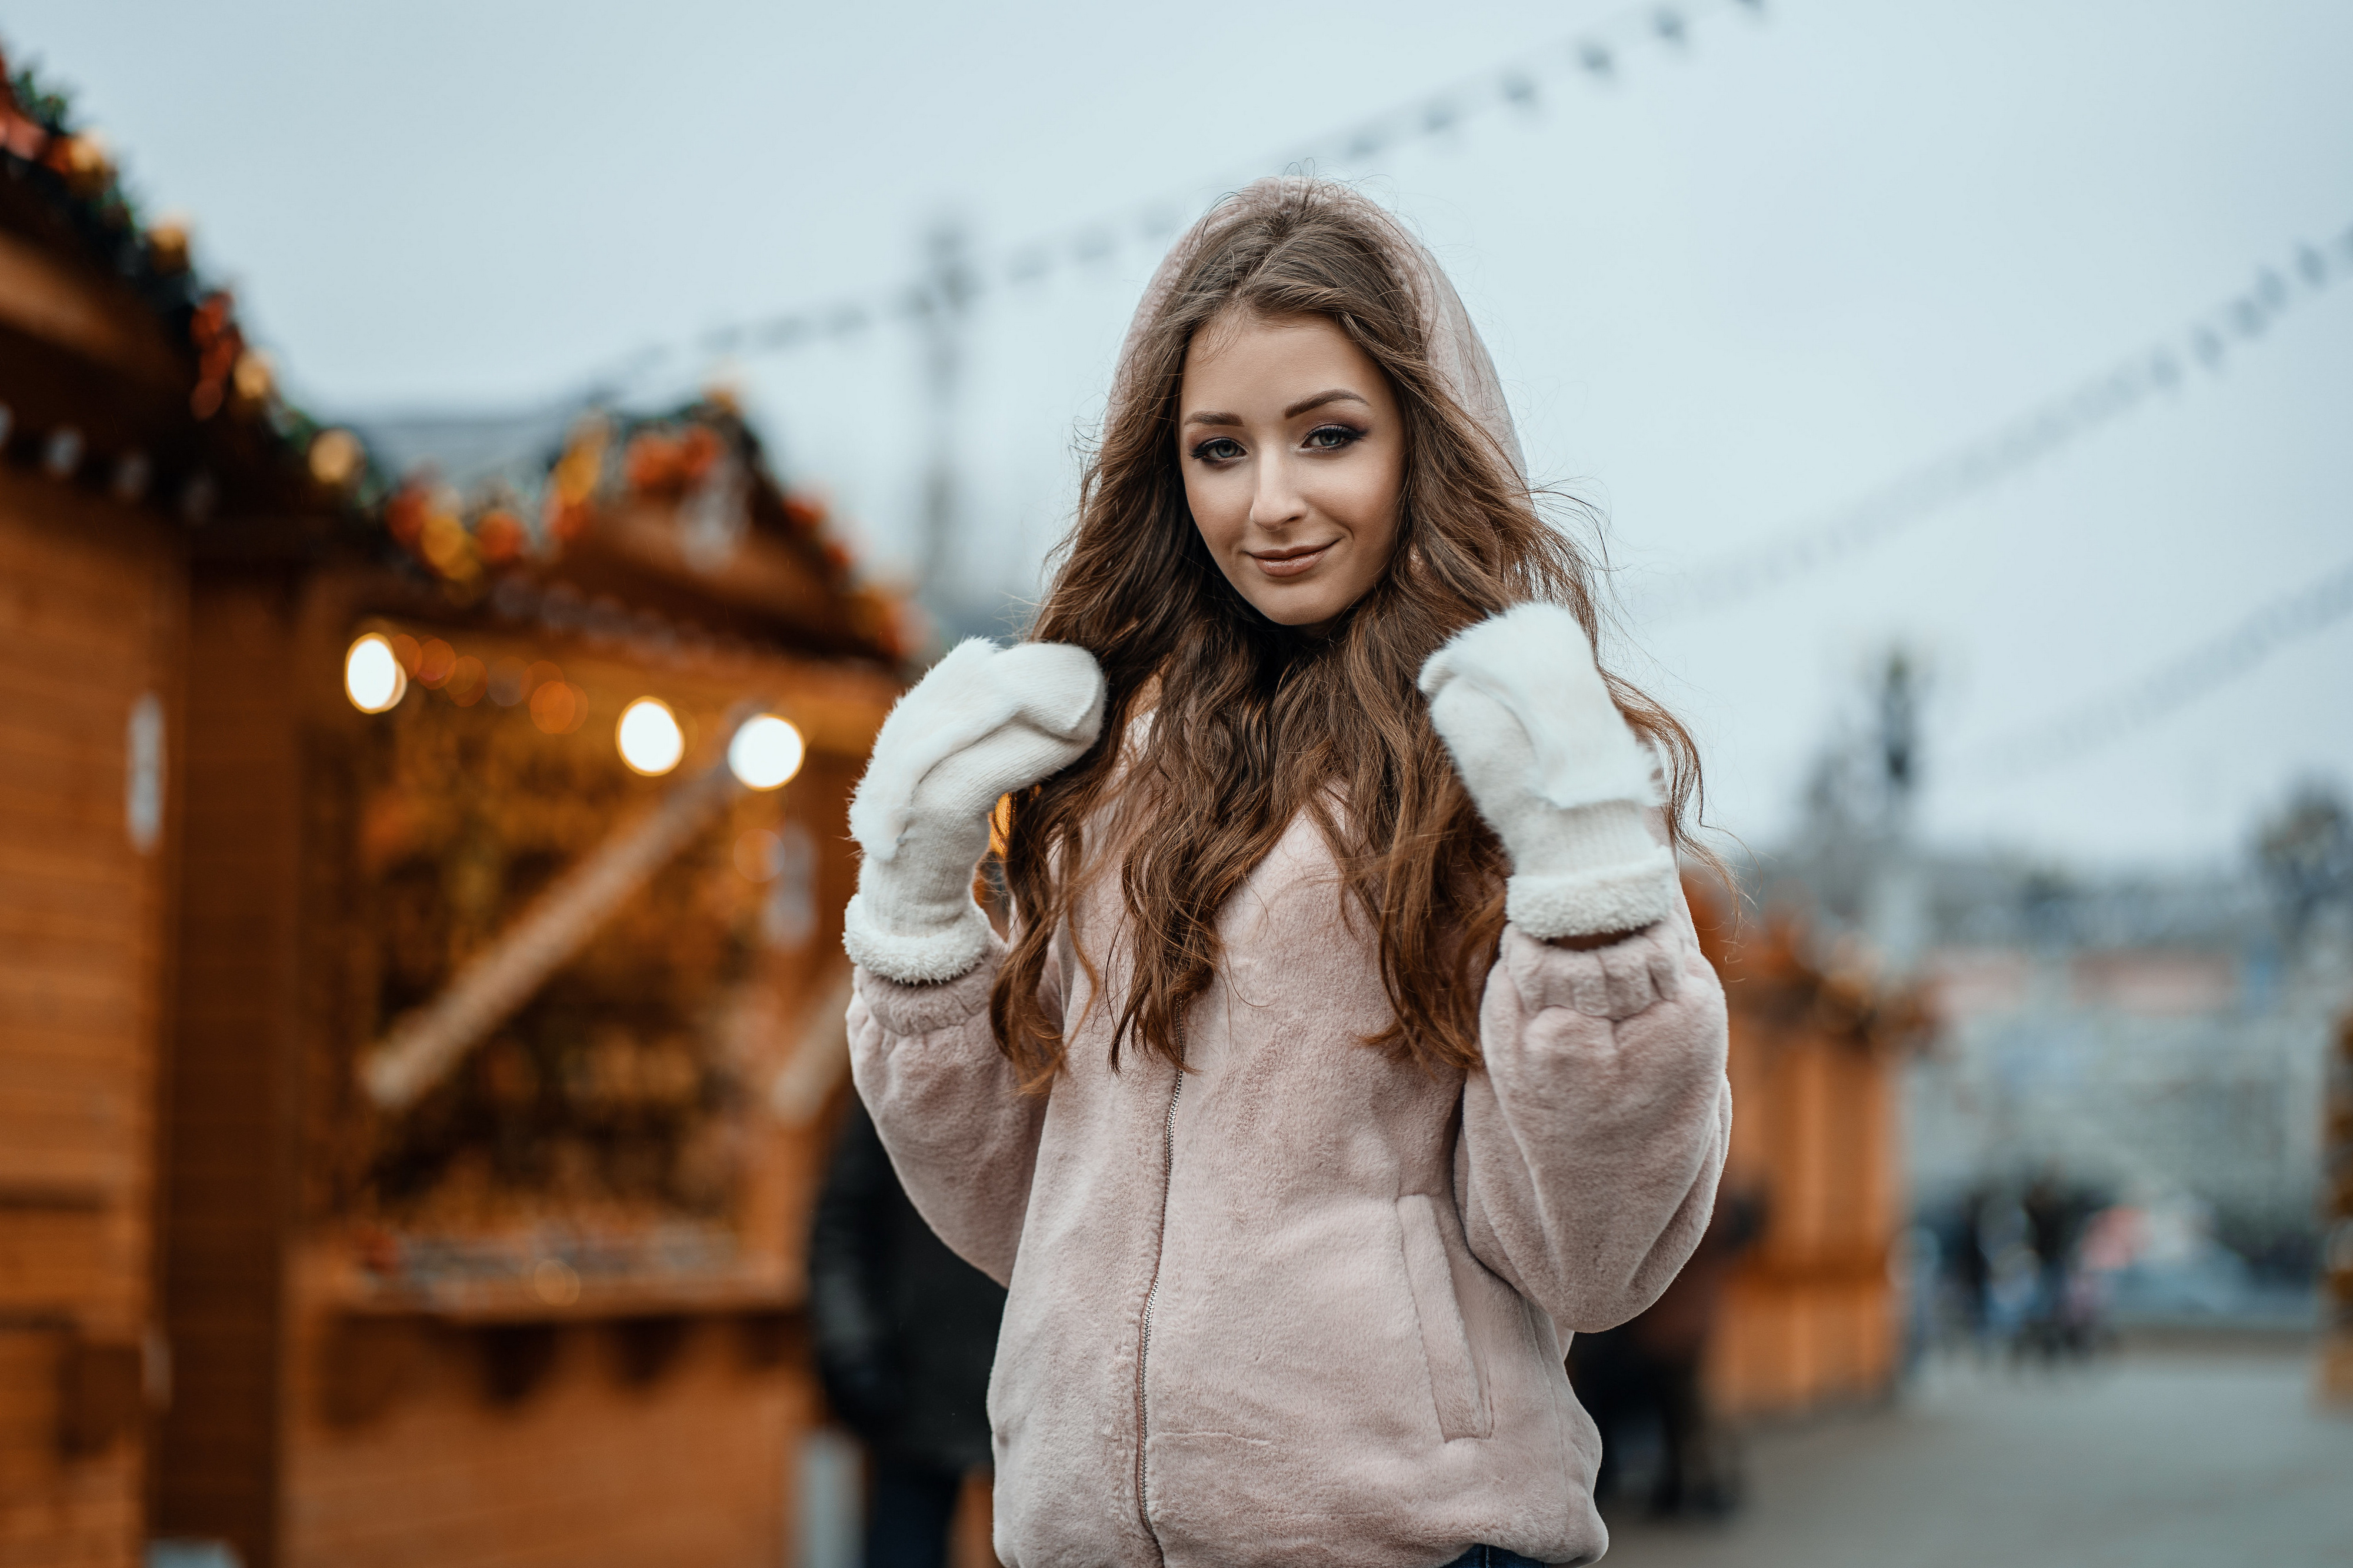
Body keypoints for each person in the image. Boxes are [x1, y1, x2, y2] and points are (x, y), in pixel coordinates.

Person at [840, 178, 1731, 1568]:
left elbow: (1590, 1259)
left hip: (1408, 1537)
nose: (1269, 503)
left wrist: (1591, 890)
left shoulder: (1493, 752)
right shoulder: (1102, 771)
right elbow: (1017, 1211)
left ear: (1422, 439)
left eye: (1328, 436)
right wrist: (912, 904)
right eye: (1218, 447)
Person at [808, 1099, 1005, 1568]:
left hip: (1034, 1394)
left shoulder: (1066, 1075)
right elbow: (842, 1225)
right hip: (912, 1387)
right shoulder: (903, 1076)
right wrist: (852, 1349)